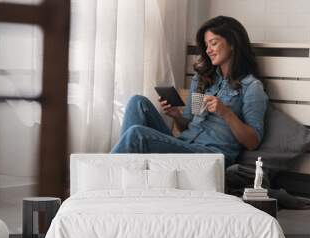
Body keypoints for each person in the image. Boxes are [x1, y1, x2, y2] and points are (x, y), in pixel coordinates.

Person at [110, 16, 268, 167]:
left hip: (210, 156)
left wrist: (226, 113)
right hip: (185, 145)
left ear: (232, 44)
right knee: (137, 102)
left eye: (213, 43)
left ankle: (104, 176)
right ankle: (123, 176)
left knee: (137, 135)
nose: (208, 50)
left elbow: (253, 142)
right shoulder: (203, 80)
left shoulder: (252, 87)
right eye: (206, 45)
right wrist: (176, 116)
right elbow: (187, 125)